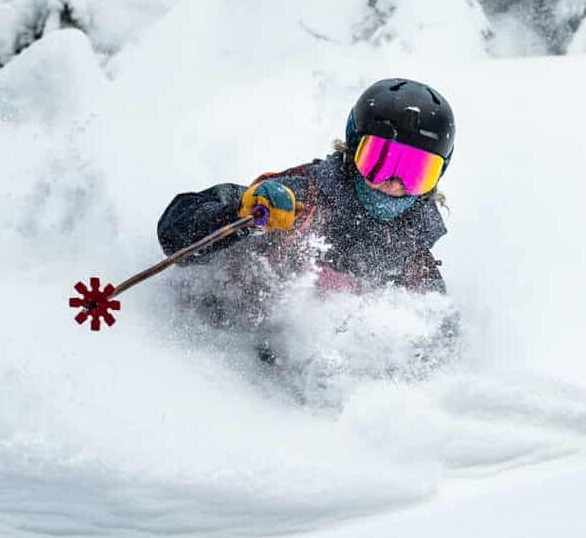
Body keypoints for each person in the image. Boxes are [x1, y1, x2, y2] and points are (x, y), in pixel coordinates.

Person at [156, 79, 456, 354]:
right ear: (353, 149)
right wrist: (239, 214)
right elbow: (175, 231)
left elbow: (437, 329)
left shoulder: (412, 245)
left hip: (323, 389)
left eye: (415, 173)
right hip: (220, 346)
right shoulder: (303, 198)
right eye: (379, 161)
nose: (393, 183)